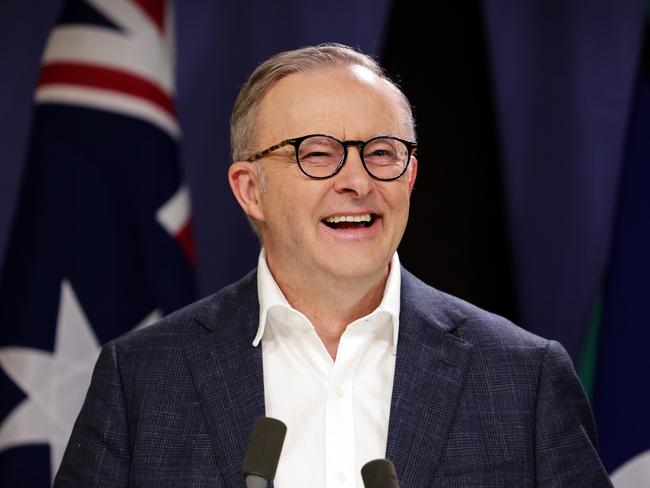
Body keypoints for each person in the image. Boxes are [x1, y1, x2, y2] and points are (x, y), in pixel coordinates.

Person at [55, 43, 612, 487]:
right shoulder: (142, 379)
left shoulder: (523, 376)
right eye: (317, 153)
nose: (358, 181)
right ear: (251, 190)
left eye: (382, 152)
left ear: (411, 178)